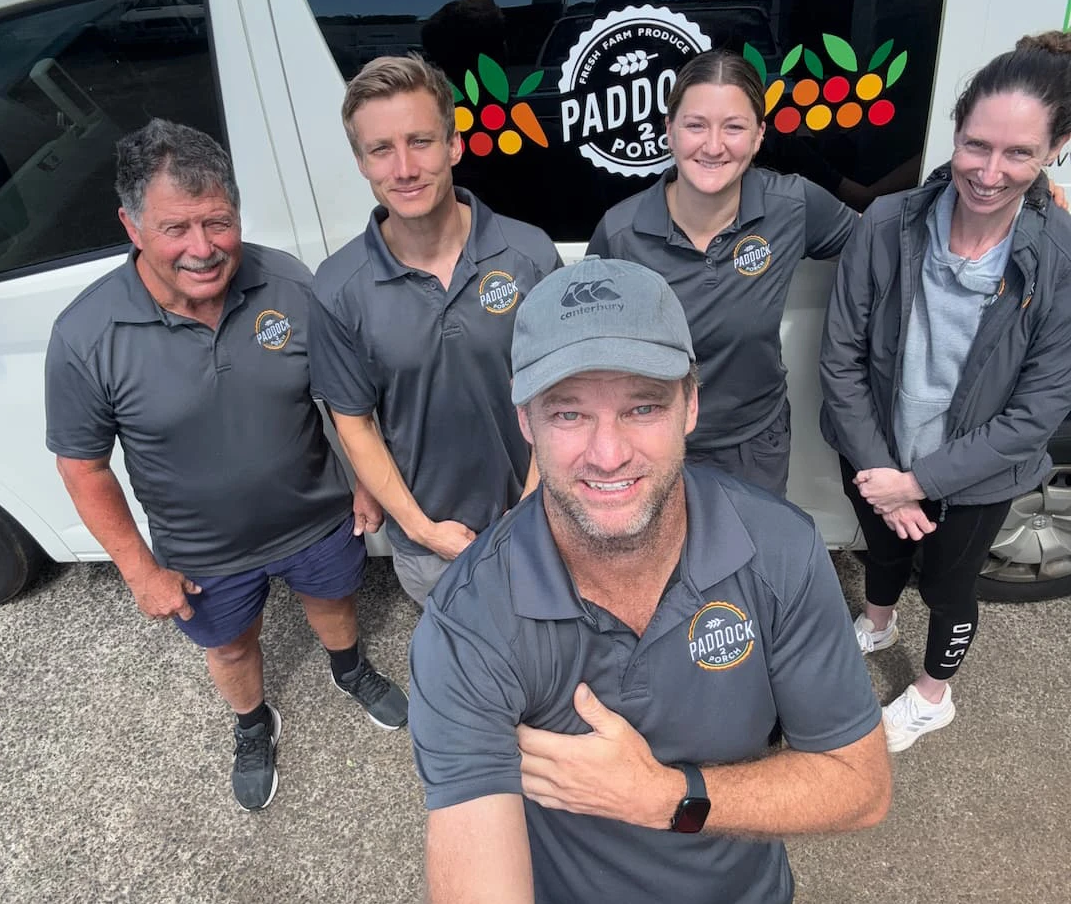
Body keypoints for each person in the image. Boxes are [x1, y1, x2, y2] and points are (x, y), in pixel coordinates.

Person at [409, 255, 892, 903]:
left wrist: (666, 796)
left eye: (642, 407)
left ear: (690, 406)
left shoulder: (778, 550)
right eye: (569, 413)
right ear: (525, 421)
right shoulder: (469, 622)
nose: (608, 454)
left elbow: (860, 786)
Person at [45, 119, 408, 812]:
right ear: (131, 225)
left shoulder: (289, 283)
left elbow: (338, 395)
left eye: (219, 222)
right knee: (234, 649)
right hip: (203, 551)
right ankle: (252, 724)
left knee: (333, 601)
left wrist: (363, 477)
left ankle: (349, 669)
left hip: (315, 513)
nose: (204, 249)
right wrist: (139, 569)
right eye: (176, 229)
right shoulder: (86, 335)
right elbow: (83, 467)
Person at [819, 32, 1071, 752]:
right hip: (875, 452)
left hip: (973, 475)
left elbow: (1035, 416)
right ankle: (875, 622)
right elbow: (840, 358)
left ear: (1055, 149)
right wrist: (882, 474)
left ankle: (933, 696)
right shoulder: (886, 225)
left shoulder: (1060, 261)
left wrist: (918, 484)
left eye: (1018, 153)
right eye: (976, 145)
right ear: (955, 132)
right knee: (882, 556)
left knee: (950, 590)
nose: (989, 172)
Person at [309, 54, 562, 606]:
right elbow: (354, 425)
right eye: (381, 149)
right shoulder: (337, 288)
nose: (403, 168)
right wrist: (423, 531)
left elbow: (561, 395)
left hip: (541, 521)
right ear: (361, 162)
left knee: (555, 660)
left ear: (453, 145)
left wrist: (534, 506)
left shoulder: (529, 255)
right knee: (468, 673)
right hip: (430, 548)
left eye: (420, 141)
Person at [587, 49, 859, 496]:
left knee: (754, 560)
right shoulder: (621, 233)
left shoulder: (793, 207)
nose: (713, 146)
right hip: (654, 446)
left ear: (758, 137)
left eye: (734, 127)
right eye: (695, 125)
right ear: (669, 132)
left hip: (754, 443)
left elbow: (881, 250)